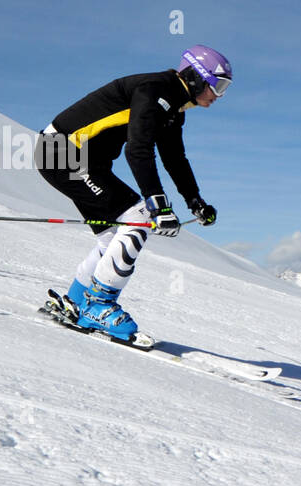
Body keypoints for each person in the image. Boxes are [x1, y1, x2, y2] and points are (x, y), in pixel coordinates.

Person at [35, 45, 230, 341]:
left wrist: (195, 201)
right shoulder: (153, 91)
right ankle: (98, 305)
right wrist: (157, 205)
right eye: (218, 85)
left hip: (80, 159)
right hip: (60, 153)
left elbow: (174, 158)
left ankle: (77, 299)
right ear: (195, 77)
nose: (218, 95)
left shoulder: (173, 106)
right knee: (138, 217)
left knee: (112, 237)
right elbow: (138, 150)